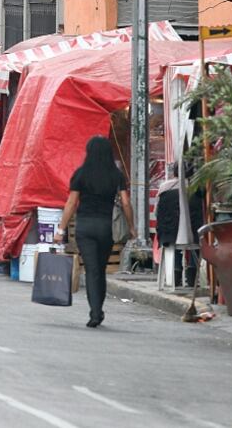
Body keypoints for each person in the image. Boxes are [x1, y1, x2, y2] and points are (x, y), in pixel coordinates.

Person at [55, 136, 137, 329]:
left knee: (91, 270)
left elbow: (71, 203)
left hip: (85, 227)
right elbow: (125, 202)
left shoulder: (81, 174)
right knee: (100, 270)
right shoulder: (116, 175)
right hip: (105, 227)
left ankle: (95, 313)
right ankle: (98, 309)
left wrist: (61, 229)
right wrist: (131, 226)